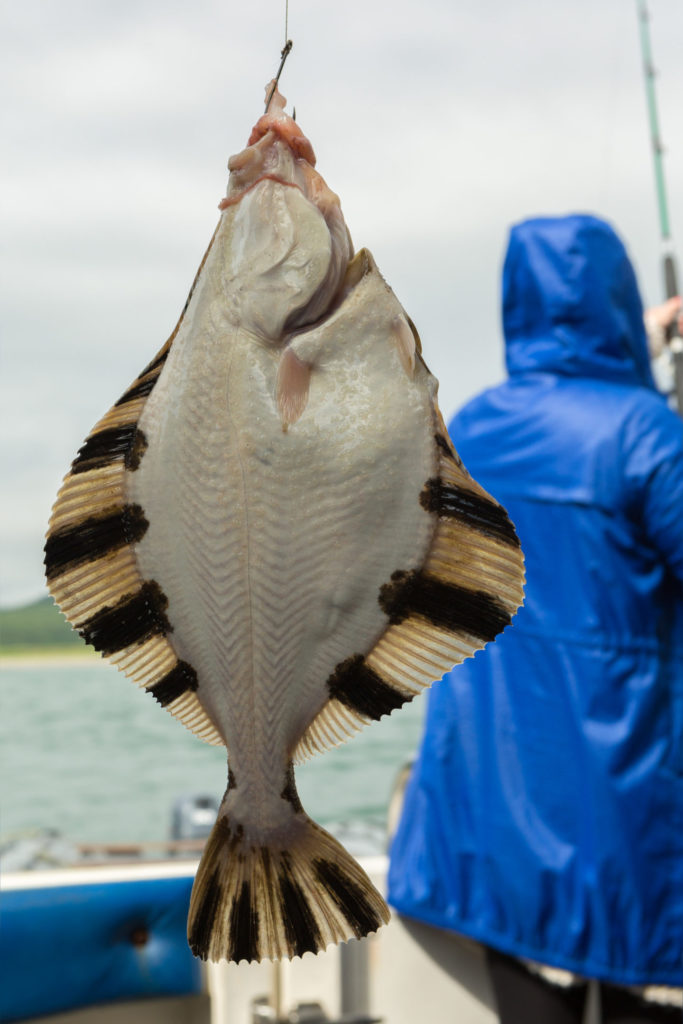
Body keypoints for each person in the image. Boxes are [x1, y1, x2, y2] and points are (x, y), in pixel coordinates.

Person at [387, 214, 683, 1023]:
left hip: (491, 819)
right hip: (621, 829)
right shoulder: (648, 437)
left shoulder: (468, 428)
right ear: (618, 299)